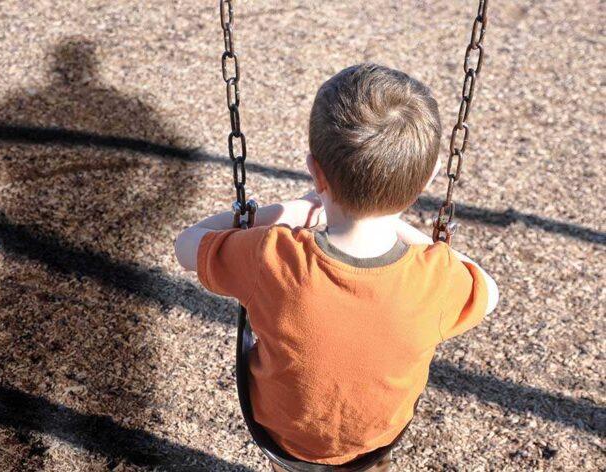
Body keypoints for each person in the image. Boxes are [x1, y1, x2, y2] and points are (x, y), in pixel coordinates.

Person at [175, 63, 499, 470]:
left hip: (284, 436)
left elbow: (185, 246)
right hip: (377, 439)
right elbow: (489, 291)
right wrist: (408, 231)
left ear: (316, 172)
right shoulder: (434, 277)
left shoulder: (272, 255)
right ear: (428, 180)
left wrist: (278, 212)